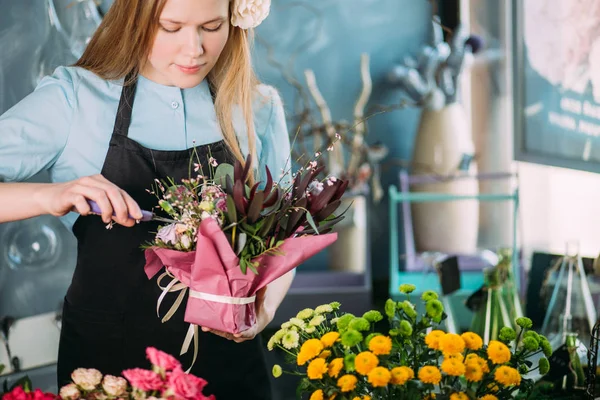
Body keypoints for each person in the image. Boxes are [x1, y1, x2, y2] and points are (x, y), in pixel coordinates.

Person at [0, 0, 293, 398]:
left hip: (229, 366)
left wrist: (264, 312)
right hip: (107, 364)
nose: (194, 49)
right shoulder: (76, 97)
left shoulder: (256, 107)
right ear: (133, 20)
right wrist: (52, 194)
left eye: (211, 26)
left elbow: (283, 234)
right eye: (170, 28)